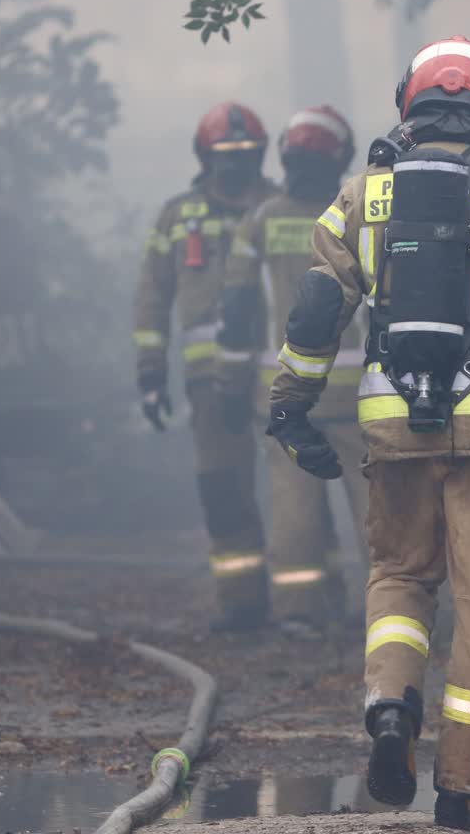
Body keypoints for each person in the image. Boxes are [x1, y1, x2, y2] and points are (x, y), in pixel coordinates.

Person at [265, 37, 470, 829]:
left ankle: (389, 709)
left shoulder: (360, 193)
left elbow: (314, 314)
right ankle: (463, 787)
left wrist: (290, 404)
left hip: (391, 429)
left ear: (410, 102)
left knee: (401, 580)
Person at [217, 105, 370, 637]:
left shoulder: (259, 221)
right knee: (377, 508)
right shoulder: (359, 215)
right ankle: (391, 612)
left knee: (293, 511)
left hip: (283, 397)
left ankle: (298, 613)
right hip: (358, 400)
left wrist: (229, 384)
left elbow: (236, 311)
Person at [133, 102, 277, 631]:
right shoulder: (177, 217)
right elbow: (151, 299)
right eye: (224, 155)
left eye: (244, 154)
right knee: (222, 489)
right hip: (208, 384)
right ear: (204, 157)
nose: (235, 165)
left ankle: (314, 602)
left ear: (260, 154)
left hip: (280, 375)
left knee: (299, 488)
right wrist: (151, 373)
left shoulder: (280, 207)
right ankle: (243, 606)